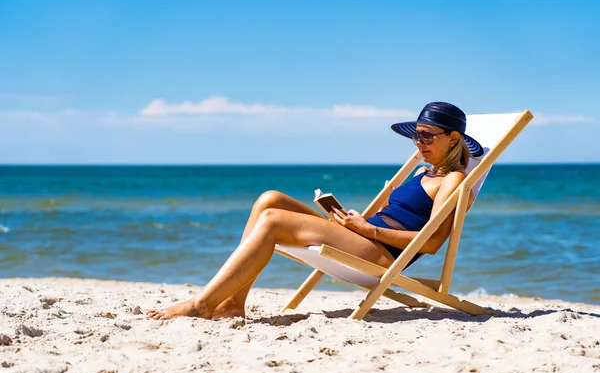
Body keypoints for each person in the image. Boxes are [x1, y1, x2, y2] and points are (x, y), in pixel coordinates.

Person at [146, 102, 484, 320]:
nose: (419, 143)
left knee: (274, 221)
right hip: (364, 236)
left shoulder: (454, 181)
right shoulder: (425, 174)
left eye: (426, 136)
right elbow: (402, 214)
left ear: (453, 139)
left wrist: (368, 230)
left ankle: (202, 305)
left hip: (381, 255)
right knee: (270, 199)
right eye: (416, 137)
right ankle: (234, 302)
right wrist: (371, 212)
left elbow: (431, 242)